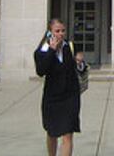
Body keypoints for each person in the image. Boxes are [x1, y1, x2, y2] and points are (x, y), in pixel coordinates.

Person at [34, 18, 81, 156]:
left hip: (70, 97)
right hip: (52, 98)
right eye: (57, 31)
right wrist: (51, 50)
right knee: (52, 133)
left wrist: (80, 63)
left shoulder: (70, 47)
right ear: (50, 33)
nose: (61, 34)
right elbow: (41, 71)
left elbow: (78, 69)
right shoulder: (42, 50)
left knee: (68, 134)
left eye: (63, 31)